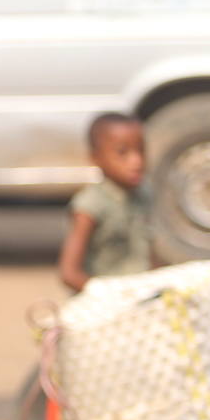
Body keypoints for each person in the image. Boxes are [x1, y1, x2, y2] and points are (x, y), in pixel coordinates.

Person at [57, 112, 152, 293]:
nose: (137, 161)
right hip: (104, 303)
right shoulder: (90, 205)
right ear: (95, 158)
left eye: (141, 151)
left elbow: (149, 254)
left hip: (138, 296)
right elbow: (69, 273)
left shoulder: (144, 196)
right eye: (122, 153)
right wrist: (107, 295)